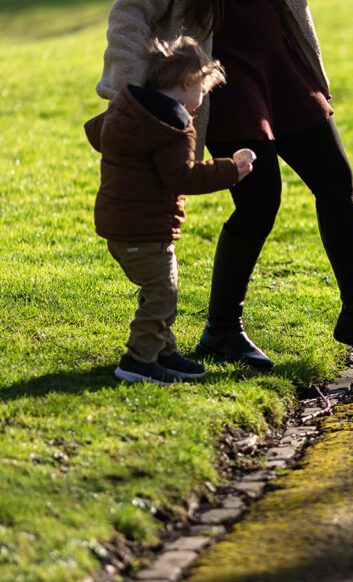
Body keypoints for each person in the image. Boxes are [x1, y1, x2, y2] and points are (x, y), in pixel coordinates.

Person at [96, 0, 353, 370]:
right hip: (223, 76)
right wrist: (127, 92)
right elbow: (130, 13)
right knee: (260, 199)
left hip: (281, 63)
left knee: (336, 181)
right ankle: (222, 330)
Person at [85, 36, 253, 385]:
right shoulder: (173, 126)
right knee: (162, 294)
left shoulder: (128, 107)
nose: (201, 101)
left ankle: (163, 350)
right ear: (187, 84)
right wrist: (230, 171)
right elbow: (182, 177)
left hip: (119, 225)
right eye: (203, 91)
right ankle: (138, 360)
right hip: (145, 230)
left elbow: (96, 131)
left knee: (159, 289)